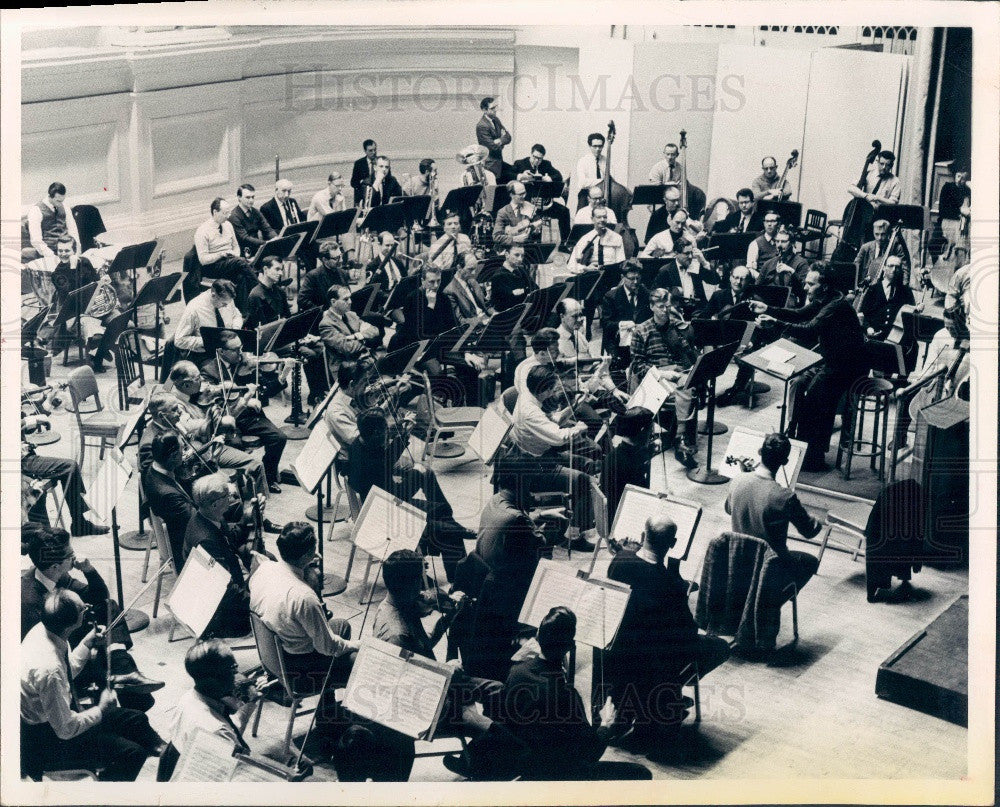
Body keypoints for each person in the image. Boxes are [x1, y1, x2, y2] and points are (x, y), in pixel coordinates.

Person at [605, 516, 731, 748]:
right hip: (655, 660)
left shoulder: (619, 561)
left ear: (643, 536)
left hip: (620, 652)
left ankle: (641, 704)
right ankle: (665, 701)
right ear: (672, 544)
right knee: (721, 647)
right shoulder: (669, 584)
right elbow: (687, 632)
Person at [20, 590, 164, 781]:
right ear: (73, 622)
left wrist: (86, 644)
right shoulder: (49, 670)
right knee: (132, 753)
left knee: (136, 719)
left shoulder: (45, 630)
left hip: (56, 718)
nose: (88, 608)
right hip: (47, 740)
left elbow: (66, 670)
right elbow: (66, 729)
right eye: (84, 608)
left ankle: (164, 752)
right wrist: (101, 710)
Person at [501, 606, 652, 781]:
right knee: (641, 773)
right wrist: (605, 725)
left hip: (526, 766)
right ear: (571, 646)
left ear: (537, 638)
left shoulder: (515, 672)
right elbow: (589, 754)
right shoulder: (566, 695)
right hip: (560, 775)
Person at [20, 526, 164, 706]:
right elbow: (51, 652)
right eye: (71, 555)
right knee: (106, 655)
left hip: (68, 636)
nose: (75, 557)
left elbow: (99, 597)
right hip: (58, 662)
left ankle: (121, 668)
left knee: (107, 606)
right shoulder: (29, 602)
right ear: (56, 565)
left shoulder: (55, 575)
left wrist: (89, 570)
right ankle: (124, 676)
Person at [749, 265, 868, 471]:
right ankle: (798, 442)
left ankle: (813, 456)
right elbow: (799, 314)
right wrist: (768, 309)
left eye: (810, 284)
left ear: (825, 286)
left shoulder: (835, 305)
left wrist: (775, 323)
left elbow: (809, 330)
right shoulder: (825, 299)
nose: (805, 287)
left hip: (848, 365)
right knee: (800, 382)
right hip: (832, 359)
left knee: (815, 399)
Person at [249, 523, 358, 747]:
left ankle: (326, 712)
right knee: (355, 659)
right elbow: (329, 649)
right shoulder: (303, 596)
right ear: (309, 554)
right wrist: (357, 645)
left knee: (341, 626)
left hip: (272, 657)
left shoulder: (264, 568)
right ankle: (330, 721)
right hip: (300, 670)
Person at [348, 409, 472, 581]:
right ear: (376, 433)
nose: (387, 435)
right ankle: (458, 580)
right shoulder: (368, 464)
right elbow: (398, 494)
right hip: (388, 516)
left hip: (383, 505)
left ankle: (452, 534)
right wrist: (415, 472)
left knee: (442, 510)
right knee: (449, 532)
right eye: (385, 431)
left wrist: (403, 431)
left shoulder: (360, 444)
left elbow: (385, 461)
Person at [508, 365, 599, 551]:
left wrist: (572, 407)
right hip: (535, 467)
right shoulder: (530, 411)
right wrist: (578, 429)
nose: (552, 394)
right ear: (544, 390)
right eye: (551, 390)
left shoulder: (527, 395)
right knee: (585, 481)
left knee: (588, 464)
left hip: (541, 455)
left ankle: (580, 517)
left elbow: (550, 422)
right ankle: (572, 536)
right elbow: (558, 437)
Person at [725, 432, 822, 594]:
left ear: (760, 452)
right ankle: (771, 601)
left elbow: (729, 509)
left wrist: (745, 475)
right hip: (769, 567)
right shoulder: (784, 496)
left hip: (739, 561)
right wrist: (817, 520)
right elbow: (809, 531)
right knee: (810, 562)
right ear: (785, 461)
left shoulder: (738, 480)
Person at [198, 331, 288, 493]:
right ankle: (242, 488)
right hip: (229, 419)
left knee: (279, 437)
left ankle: (268, 476)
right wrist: (244, 400)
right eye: (235, 350)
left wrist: (282, 377)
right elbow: (214, 405)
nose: (241, 353)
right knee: (236, 446)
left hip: (250, 417)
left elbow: (265, 390)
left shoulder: (246, 364)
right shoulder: (209, 372)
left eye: (241, 348)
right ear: (221, 352)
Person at [630, 287, 700, 468]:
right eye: (661, 306)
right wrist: (662, 373)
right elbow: (637, 365)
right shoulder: (641, 330)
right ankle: (680, 439)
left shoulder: (677, 326)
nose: (665, 310)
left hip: (676, 373)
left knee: (688, 384)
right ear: (652, 307)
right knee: (683, 389)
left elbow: (687, 356)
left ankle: (680, 438)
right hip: (653, 376)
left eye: (668, 306)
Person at [164, 640, 254, 780]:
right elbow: (237, 769)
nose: (238, 674)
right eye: (233, 669)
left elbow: (229, 730)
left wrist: (250, 703)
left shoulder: (188, 698)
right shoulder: (217, 731)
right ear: (214, 680)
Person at [183, 475, 253, 638]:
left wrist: (247, 519)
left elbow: (230, 540)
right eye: (226, 496)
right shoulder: (205, 540)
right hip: (223, 615)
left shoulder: (207, 517)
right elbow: (225, 591)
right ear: (214, 504)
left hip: (227, 586)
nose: (231, 497)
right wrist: (257, 601)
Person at [21, 428, 107, 536]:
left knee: (69, 468)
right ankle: (77, 525)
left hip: (25, 457)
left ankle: (79, 524)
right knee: (69, 467)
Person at [141, 432, 197, 570]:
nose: (185, 454)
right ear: (172, 457)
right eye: (182, 449)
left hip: (176, 534)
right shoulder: (168, 495)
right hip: (186, 553)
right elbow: (197, 523)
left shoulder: (153, 469)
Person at [193, 197, 257, 311]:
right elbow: (203, 260)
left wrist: (234, 254)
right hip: (212, 266)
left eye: (229, 212)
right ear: (215, 212)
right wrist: (221, 254)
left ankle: (244, 312)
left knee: (241, 276)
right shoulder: (202, 231)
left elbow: (236, 246)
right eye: (225, 213)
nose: (228, 216)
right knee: (242, 262)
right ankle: (259, 289)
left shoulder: (228, 225)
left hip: (231, 262)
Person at [601, 407, 655, 519]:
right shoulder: (629, 462)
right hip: (622, 516)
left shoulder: (619, 454)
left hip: (620, 508)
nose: (652, 433)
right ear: (642, 430)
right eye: (651, 429)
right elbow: (639, 498)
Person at [173, 278, 243, 362]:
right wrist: (207, 341)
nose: (226, 306)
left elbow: (237, 315)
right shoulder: (194, 308)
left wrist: (235, 328)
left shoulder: (227, 300)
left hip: (228, 349)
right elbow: (179, 340)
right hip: (205, 354)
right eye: (224, 304)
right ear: (213, 295)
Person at [512, 143, 570, 242]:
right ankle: (532, 243)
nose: (537, 161)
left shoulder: (546, 164)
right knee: (534, 218)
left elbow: (558, 176)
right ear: (531, 154)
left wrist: (549, 178)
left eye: (540, 159)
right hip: (526, 204)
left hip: (543, 204)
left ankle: (566, 244)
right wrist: (520, 176)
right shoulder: (520, 163)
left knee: (564, 211)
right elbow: (508, 175)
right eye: (534, 157)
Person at [318, 284, 380, 376]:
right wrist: (365, 339)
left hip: (365, 360)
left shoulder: (351, 315)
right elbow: (347, 348)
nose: (350, 302)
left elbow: (375, 330)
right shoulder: (326, 324)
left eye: (350, 298)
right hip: (346, 369)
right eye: (345, 299)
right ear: (333, 302)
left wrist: (356, 336)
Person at [600, 261, 652, 359]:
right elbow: (605, 323)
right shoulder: (611, 296)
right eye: (632, 279)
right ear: (622, 277)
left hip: (643, 343)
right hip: (618, 344)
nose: (636, 282)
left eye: (638, 278)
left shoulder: (647, 295)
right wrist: (621, 324)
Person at [857, 255, 915, 341]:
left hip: (896, 339)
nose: (894, 270)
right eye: (891, 266)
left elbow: (910, 315)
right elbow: (862, 314)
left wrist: (916, 308)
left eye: (897, 267)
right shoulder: (873, 289)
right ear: (884, 268)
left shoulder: (906, 291)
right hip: (874, 336)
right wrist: (868, 328)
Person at [24, 181, 82, 261]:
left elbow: (73, 230)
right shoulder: (36, 210)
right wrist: (52, 257)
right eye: (58, 201)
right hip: (49, 252)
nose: (61, 203)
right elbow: (36, 240)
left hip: (67, 250)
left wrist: (77, 250)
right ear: (50, 196)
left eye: (62, 200)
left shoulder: (65, 207)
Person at [758, 225, 809, 306]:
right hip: (768, 301)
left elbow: (804, 289)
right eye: (777, 241)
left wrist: (792, 272)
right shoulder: (768, 263)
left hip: (788, 303)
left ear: (792, 243)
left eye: (783, 241)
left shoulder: (801, 263)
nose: (779, 245)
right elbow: (757, 287)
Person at [854, 218, 911, 286]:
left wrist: (904, 287)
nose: (879, 238)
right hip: (867, 286)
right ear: (873, 232)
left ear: (888, 234)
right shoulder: (865, 247)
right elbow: (855, 267)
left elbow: (905, 269)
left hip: (889, 286)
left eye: (883, 234)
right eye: (876, 234)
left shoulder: (897, 247)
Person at [298, 240, 352, 312]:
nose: (341, 260)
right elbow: (302, 300)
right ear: (325, 260)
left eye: (341, 256)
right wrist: (322, 312)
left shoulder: (343, 273)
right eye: (336, 258)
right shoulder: (313, 276)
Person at [567, 207, 625, 273]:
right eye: (599, 217)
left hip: (611, 275)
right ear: (592, 219)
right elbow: (571, 265)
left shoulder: (617, 237)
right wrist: (585, 268)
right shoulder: (586, 238)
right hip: (591, 275)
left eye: (605, 217)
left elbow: (621, 263)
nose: (602, 220)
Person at [229, 183, 277, 257]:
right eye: (248, 197)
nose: (251, 200)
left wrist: (276, 238)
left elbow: (267, 229)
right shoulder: (234, 216)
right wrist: (266, 243)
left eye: (253, 197)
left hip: (257, 248)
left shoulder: (256, 212)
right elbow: (244, 238)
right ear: (239, 198)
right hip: (243, 252)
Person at [444, 251, 493, 322]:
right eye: (470, 269)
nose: (474, 273)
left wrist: (495, 314)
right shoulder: (450, 291)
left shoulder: (472, 281)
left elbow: (485, 305)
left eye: (475, 269)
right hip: (475, 326)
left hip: (486, 318)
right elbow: (460, 320)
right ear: (459, 268)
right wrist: (480, 322)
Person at [489, 242, 537, 312]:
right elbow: (509, 301)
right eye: (517, 255)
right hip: (507, 314)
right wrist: (526, 290)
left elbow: (535, 288)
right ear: (507, 254)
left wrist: (521, 291)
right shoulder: (499, 276)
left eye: (522, 256)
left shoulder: (522, 270)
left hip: (522, 310)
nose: (520, 259)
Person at [493, 181, 543, 247]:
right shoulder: (503, 212)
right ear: (511, 195)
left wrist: (536, 229)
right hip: (511, 249)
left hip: (528, 248)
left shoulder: (530, 206)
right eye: (520, 194)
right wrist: (515, 239)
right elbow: (496, 237)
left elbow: (536, 228)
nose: (524, 196)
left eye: (524, 193)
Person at [476, 96, 512, 182]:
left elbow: (508, 137)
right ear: (484, 110)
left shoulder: (496, 119)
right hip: (490, 166)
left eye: (496, 107)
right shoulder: (481, 126)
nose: (496, 110)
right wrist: (502, 140)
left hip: (499, 163)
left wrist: (499, 140)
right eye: (492, 108)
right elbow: (493, 148)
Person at [937, 166, 971, 255]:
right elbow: (942, 210)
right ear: (955, 175)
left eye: (963, 178)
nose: (959, 180)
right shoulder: (947, 187)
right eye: (958, 176)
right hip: (945, 224)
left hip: (961, 228)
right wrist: (960, 211)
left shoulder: (967, 191)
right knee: (933, 245)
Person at [572, 132, 608, 214]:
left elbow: (611, 180)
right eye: (595, 146)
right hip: (586, 194)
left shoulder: (606, 161)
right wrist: (602, 181)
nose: (598, 149)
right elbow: (582, 183)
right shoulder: (583, 161)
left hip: (602, 194)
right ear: (590, 146)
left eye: (600, 146)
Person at [745, 211, 781, 275]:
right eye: (767, 221)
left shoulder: (784, 241)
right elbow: (750, 269)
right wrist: (761, 279)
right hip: (763, 281)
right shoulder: (755, 244)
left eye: (772, 221)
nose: (769, 224)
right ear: (764, 223)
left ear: (778, 223)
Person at [350, 139, 379, 205]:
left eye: (375, 149)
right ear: (365, 151)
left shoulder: (381, 162)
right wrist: (363, 181)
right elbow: (353, 183)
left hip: (377, 199)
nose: (374, 152)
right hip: (363, 199)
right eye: (370, 150)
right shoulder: (359, 163)